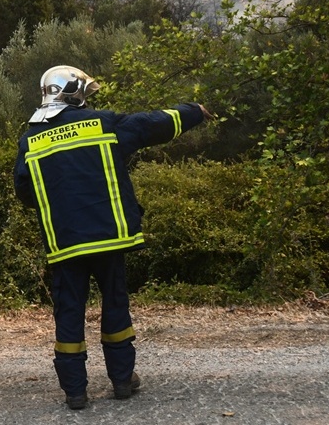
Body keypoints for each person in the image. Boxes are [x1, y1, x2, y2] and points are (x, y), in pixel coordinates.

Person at [13, 65, 213, 410]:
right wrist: (194, 112)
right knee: (115, 306)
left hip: (66, 244)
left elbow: (24, 191)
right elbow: (152, 124)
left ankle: (75, 392)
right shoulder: (103, 123)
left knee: (69, 314)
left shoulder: (30, 139)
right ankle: (122, 381)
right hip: (109, 236)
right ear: (75, 93)